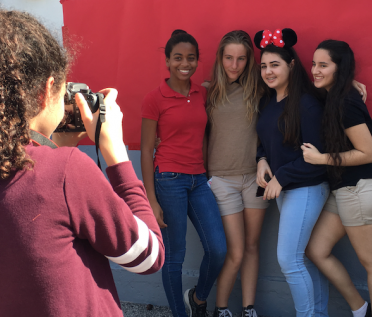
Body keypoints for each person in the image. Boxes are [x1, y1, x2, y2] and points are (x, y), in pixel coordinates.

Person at [0, 1, 164, 316]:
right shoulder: (66, 172)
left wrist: (48, 145)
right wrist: (116, 154)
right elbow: (147, 257)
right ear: (46, 89)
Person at [140, 30, 227, 317]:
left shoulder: (203, 93)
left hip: (199, 179)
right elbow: (146, 151)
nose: (184, 63)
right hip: (169, 181)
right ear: (167, 61)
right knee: (175, 256)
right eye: (178, 57)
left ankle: (198, 298)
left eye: (190, 58)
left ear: (197, 60)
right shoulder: (155, 98)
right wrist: (151, 201)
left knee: (217, 249)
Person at [303, 40, 372, 317]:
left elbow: (367, 153)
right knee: (316, 250)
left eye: (323, 65)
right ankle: (360, 308)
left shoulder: (345, 103)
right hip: (344, 190)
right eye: (314, 64)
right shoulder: (335, 95)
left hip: (361, 189)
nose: (315, 70)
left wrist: (321, 158)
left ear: (339, 70)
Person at [253, 28, 329, 317]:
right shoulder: (268, 101)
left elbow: (316, 155)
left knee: (288, 259)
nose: (268, 72)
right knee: (301, 259)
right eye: (264, 66)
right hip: (286, 190)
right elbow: (265, 140)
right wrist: (261, 160)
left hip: (307, 187)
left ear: (292, 65)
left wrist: (282, 177)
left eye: (275, 65)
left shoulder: (307, 104)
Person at [205, 30, 268, 317]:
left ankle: (248, 309)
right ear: (220, 58)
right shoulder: (207, 91)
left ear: (249, 61)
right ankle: (220, 309)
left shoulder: (260, 88)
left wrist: (345, 83)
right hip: (221, 179)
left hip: (255, 178)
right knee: (237, 251)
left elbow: (300, 89)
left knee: (253, 246)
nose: (234, 65)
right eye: (228, 58)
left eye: (241, 59)